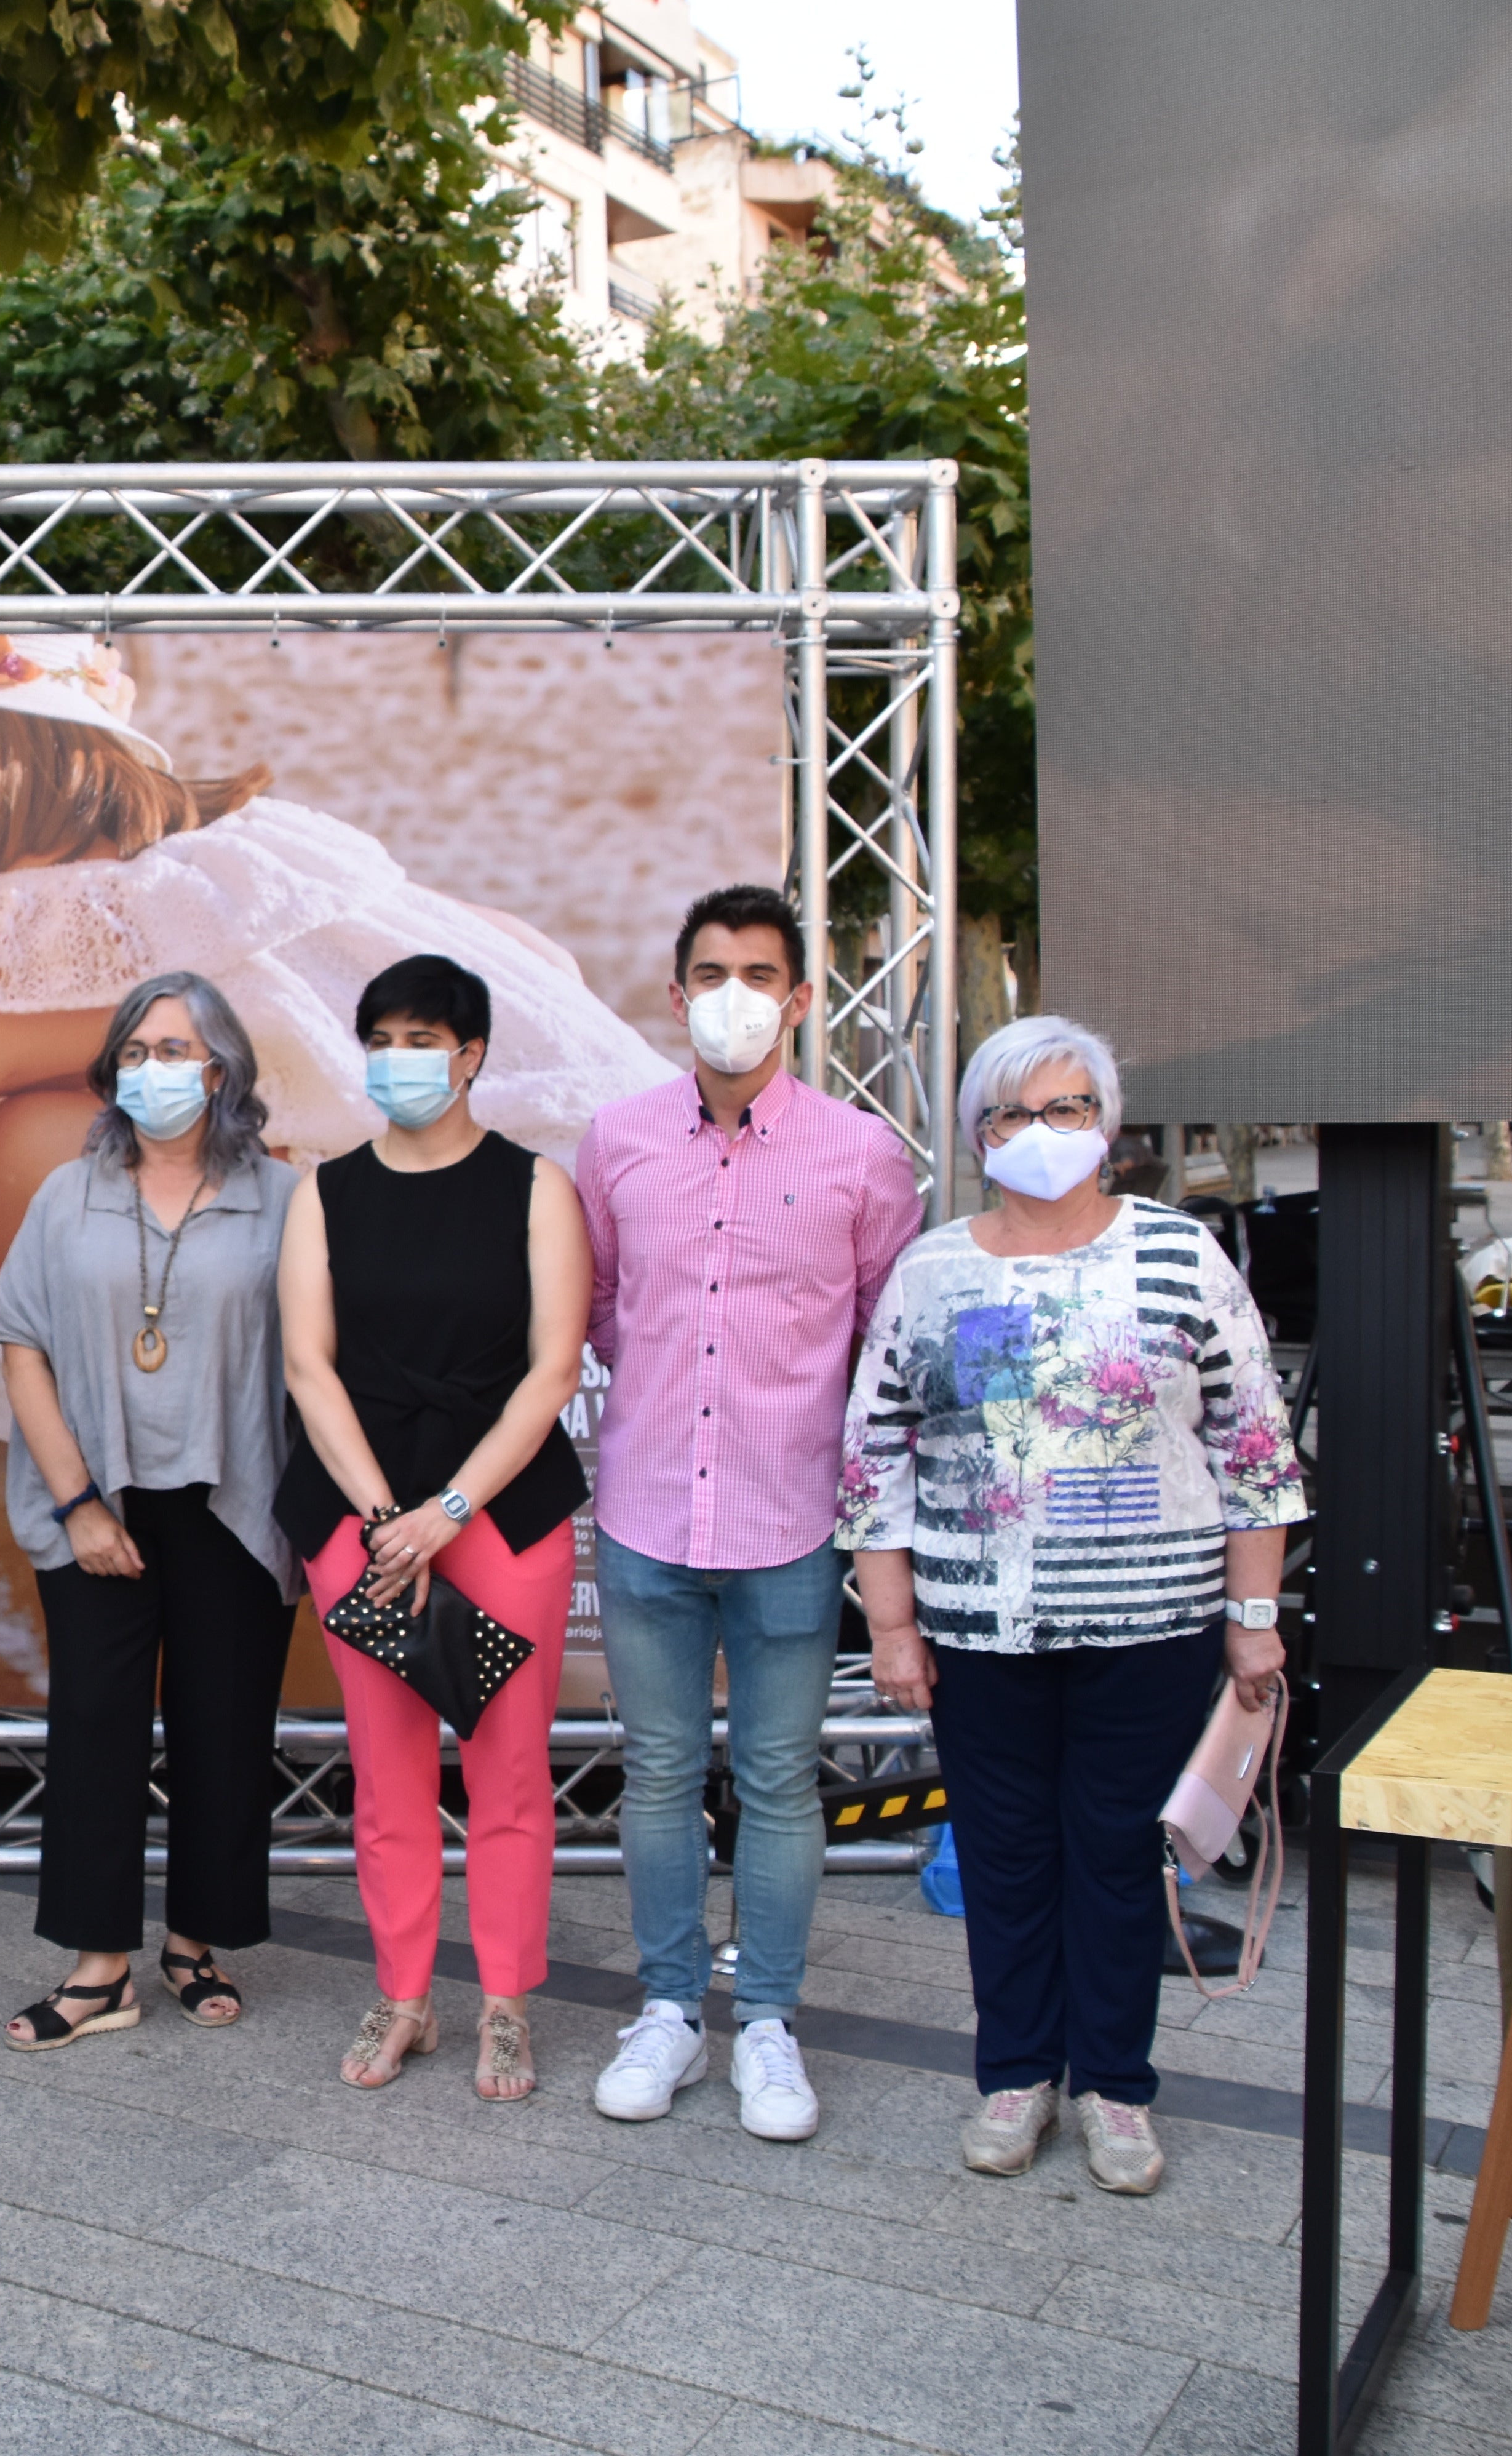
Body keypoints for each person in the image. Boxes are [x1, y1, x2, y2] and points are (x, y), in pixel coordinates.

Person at [0, 633, 672, 1280]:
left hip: (512, 1270)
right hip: (645, 1191)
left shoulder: (17, 942)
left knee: (19, 1161)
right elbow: (532, 951)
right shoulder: (253, 853)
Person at [844, 1015, 1305, 2196]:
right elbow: (875, 1455)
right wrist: (892, 1623)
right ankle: (1015, 2074)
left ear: (1106, 1125)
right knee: (1002, 1854)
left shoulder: (1184, 1256)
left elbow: (1255, 1444)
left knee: (1113, 1856)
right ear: (976, 1134)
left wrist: (1253, 1617)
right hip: (978, 1627)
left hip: (1151, 1623)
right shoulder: (934, 1268)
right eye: (1011, 1114)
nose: (1040, 1135)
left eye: (1066, 1110)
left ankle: (1116, 2087)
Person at [571, 885, 921, 2140]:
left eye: (759, 971)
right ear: (675, 995)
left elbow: (891, 1347)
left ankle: (767, 2020)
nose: (734, 993)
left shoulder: (866, 1155)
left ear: (798, 995)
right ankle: (668, 2007)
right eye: (710, 970)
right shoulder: (614, 1142)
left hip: (789, 1520)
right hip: (649, 1510)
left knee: (778, 1778)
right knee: (660, 1770)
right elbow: (605, 1306)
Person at [278, 955, 591, 2100]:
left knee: (509, 1773)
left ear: (470, 1057)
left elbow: (553, 1368)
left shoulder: (535, 1188)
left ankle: (505, 2000)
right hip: (359, 1517)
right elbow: (309, 1367)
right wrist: (381, 1521)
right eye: (381, 1039)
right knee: (388, 1773)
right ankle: (403, 1991)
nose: (398, 1061)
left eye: (423, 1039)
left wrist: (449, 1509)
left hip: (500, 1512)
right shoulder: (327, 1190)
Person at [0, 973, 298, 2051]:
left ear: (222, 1071)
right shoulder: (65, 1194)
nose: (152, 1071)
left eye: (176, 1051)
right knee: (95, 1729)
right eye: (136, 1050)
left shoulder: (285, 1199)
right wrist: (75, 1499)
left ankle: (197, 1943)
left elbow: (315, 1357)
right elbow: (20, 1341)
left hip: (235, 1502)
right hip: (96, 1504)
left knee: (225, 1730)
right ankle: (98, 1969)